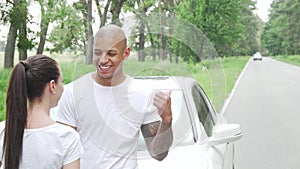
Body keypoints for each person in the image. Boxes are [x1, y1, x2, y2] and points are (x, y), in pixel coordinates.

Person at [56, 24, 173, 169]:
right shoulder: (72, 92)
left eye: (111, 53)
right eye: (98, 53)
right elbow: (62, 154)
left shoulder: (143, 94)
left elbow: (158, 154)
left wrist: (166, 120)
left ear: (126, 54)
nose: (103, 60)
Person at [0, 55, 84, 169]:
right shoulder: (67, 137)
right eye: (62, 82)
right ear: (52, 86)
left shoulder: (3, 131)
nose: (63, 87)